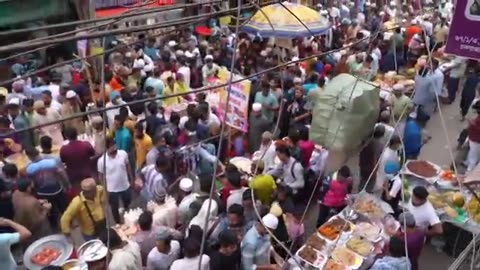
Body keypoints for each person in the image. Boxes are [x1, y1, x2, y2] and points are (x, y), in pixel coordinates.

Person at [25, 147, 68, 228]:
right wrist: (67, 184)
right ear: (38, 152)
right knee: (63, 207)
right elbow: (62, 174)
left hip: (42, 192)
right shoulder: (51, 161)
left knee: (50, 211)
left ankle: (54, 226)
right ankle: (68, 222)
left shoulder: (29, 167)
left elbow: (32, 183)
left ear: (29, 157)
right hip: (56, 189)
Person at [97, 137, 133, 224]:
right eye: (111, 147)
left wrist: (131, 179)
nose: (114, 148)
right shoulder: (101, 161)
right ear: (106, 148)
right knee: (114, 208)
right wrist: (104, 189)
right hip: (112, 190)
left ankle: (129, 218)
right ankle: (118, 223)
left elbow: (128, 166)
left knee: (128, 203)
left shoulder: (123, 154)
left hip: (125, 185)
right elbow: (101, 176)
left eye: (114, 145)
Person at [11, 178, 51, 247]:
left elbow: (23, 204)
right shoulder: (31, 202)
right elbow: (38, 221)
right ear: (28, 188)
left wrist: (38, 202)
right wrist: (46, 209)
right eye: (31, 185)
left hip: (20, 225)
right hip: (33, 230)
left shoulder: (15, 193)